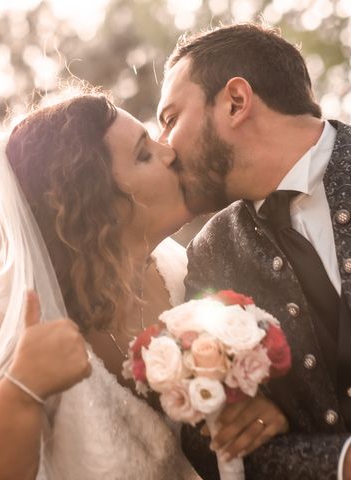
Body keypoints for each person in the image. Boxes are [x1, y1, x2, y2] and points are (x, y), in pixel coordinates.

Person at [0, 90, 287, 480]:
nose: (169, 152)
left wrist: (257, 415)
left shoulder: (187, 278)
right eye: (143, 154)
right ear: (96, 206)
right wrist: (22, 389)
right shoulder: (8, 324)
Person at [156, 22, 351, 479]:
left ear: (236, 102)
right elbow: (207, 444)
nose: (164, 149)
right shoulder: (213, 252)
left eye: (169, 120)